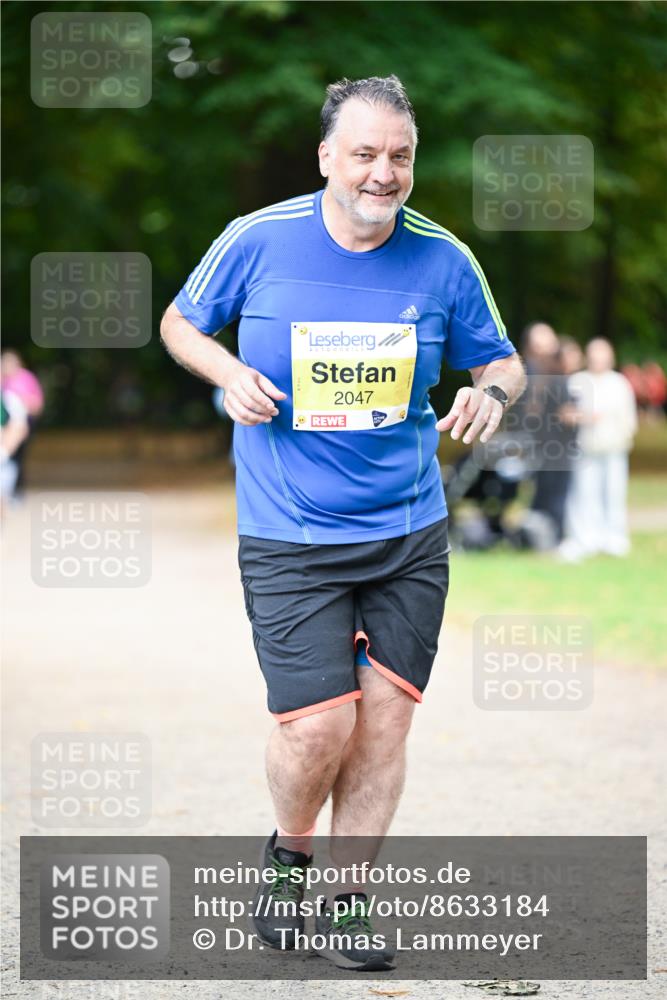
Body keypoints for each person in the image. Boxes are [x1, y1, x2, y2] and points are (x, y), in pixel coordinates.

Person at [161, 75, 526, 971]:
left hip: (407, 531)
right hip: (289, 529)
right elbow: (178, 323)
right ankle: (288, 858)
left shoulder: (443, 259)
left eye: (398, 156)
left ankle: (347, 905)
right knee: (317, 727)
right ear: (327, 156)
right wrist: (225, 374)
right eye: (363, 154)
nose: (382, 173)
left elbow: (504, 362)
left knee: (385, 723)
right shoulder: (258, 239)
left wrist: (488, 394)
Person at [558, 338, 637, 562]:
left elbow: (626, 418)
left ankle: (614, 538)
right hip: (585, 448)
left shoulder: (619, 383)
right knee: (584, 493)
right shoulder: (578, 380)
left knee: (613, 492)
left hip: (613, 447)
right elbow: (565, 411)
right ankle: (585, 538)